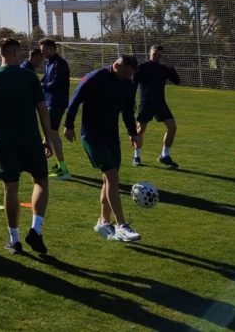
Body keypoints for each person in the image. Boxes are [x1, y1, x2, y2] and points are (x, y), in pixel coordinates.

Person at [0, 37, 53, 255]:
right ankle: (36, 230)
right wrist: (48, 138)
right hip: (31, 140)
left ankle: (15, 239)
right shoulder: (29, 77)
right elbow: (42, 110)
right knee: (41, 181)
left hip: (5, 142)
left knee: (10, 188)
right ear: (16, 53)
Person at [63, 54, 142, 242]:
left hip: (111, 137)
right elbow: (75, 100)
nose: (128, 78)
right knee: (112, 176)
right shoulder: (94, 78)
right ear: (117, 65)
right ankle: (121, 225)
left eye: (131, 75)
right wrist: (69, 125)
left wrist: (133, 133)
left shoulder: (127, 84)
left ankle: (103, 222)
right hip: (92, 137)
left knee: (109, 180)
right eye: (126, 74)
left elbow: (127, 111)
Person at [133, 44, 181, 168]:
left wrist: (171, 67)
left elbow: (177, 81)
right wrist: (131, 100)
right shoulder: (142, 68)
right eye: (155, 54)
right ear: (149, 53)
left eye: (159, 55)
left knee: (172, 127)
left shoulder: (163, 68)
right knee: (140, 130)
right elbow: (133, 84)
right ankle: (136, 156)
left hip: (160, 103)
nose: (157, 56)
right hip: (146, 103)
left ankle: (164, 156)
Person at [39, 39, 71, 180]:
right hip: (49, 102)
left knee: (52, 133)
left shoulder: (60, 64)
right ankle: (59, 166)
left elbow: (55, 84)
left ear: (52, 49)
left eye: (44, 50)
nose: (42, 52)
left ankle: (63, 169)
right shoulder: (50, 64)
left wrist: (41, 85)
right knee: (50, 133)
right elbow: (45, 80)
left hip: (56, 103)